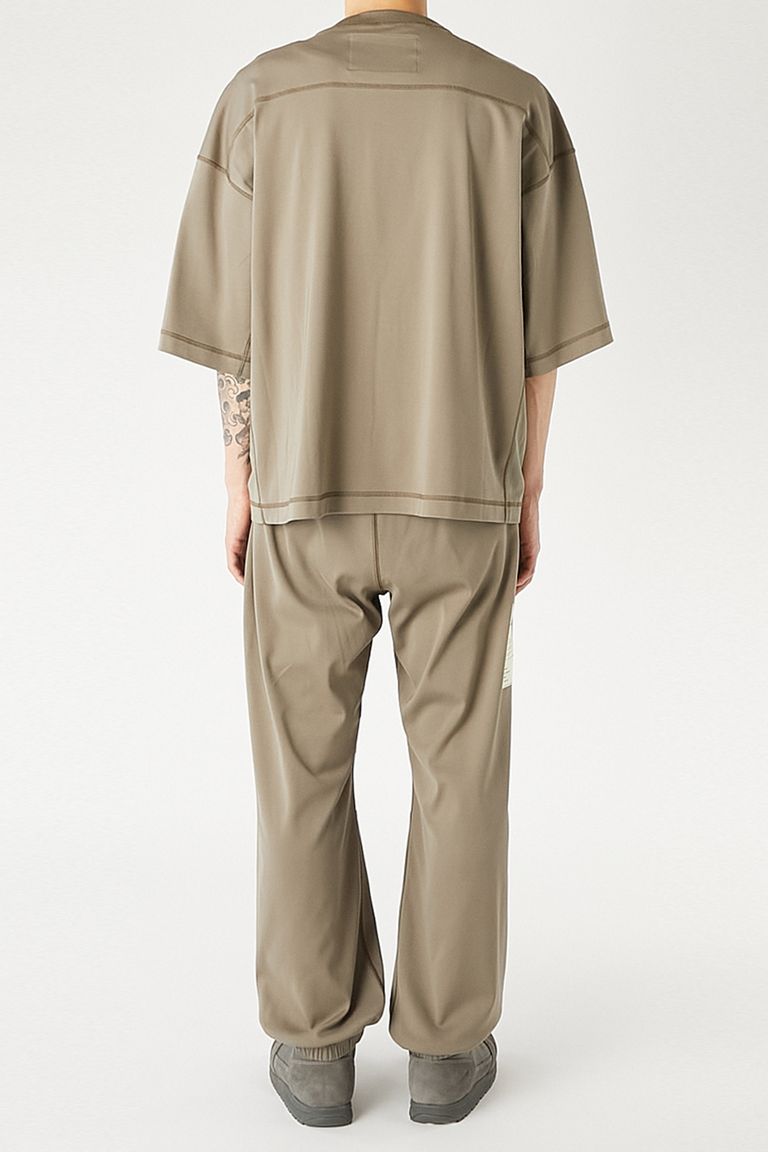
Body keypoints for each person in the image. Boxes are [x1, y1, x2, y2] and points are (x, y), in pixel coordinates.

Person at [158, 0, 613, 1127]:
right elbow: (543, 336)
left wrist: (240, 478)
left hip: (301, 491)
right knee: (462, 769)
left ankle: (313, 1047)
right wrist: (527, 490)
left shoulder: (261, 97)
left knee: (300, 768)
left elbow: (231, 326)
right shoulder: (513, 102)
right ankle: (447, 1050)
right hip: (460, 493)